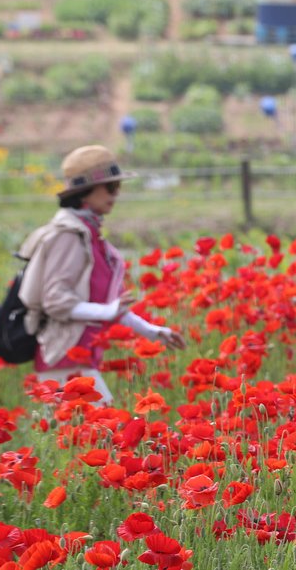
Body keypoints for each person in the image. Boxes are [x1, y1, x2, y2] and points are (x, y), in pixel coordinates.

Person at [17, 145, 185, 405]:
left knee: (99, 435)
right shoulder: (68, 236)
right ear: (84, 192)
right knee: (103, 433)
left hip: (81, 358)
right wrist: (108, 312)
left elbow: (110, 307)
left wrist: (152, 331)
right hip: (63, 359)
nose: (115, 194)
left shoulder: (91, 236)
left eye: (117, 187)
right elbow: (56, 300)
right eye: (109, 187)